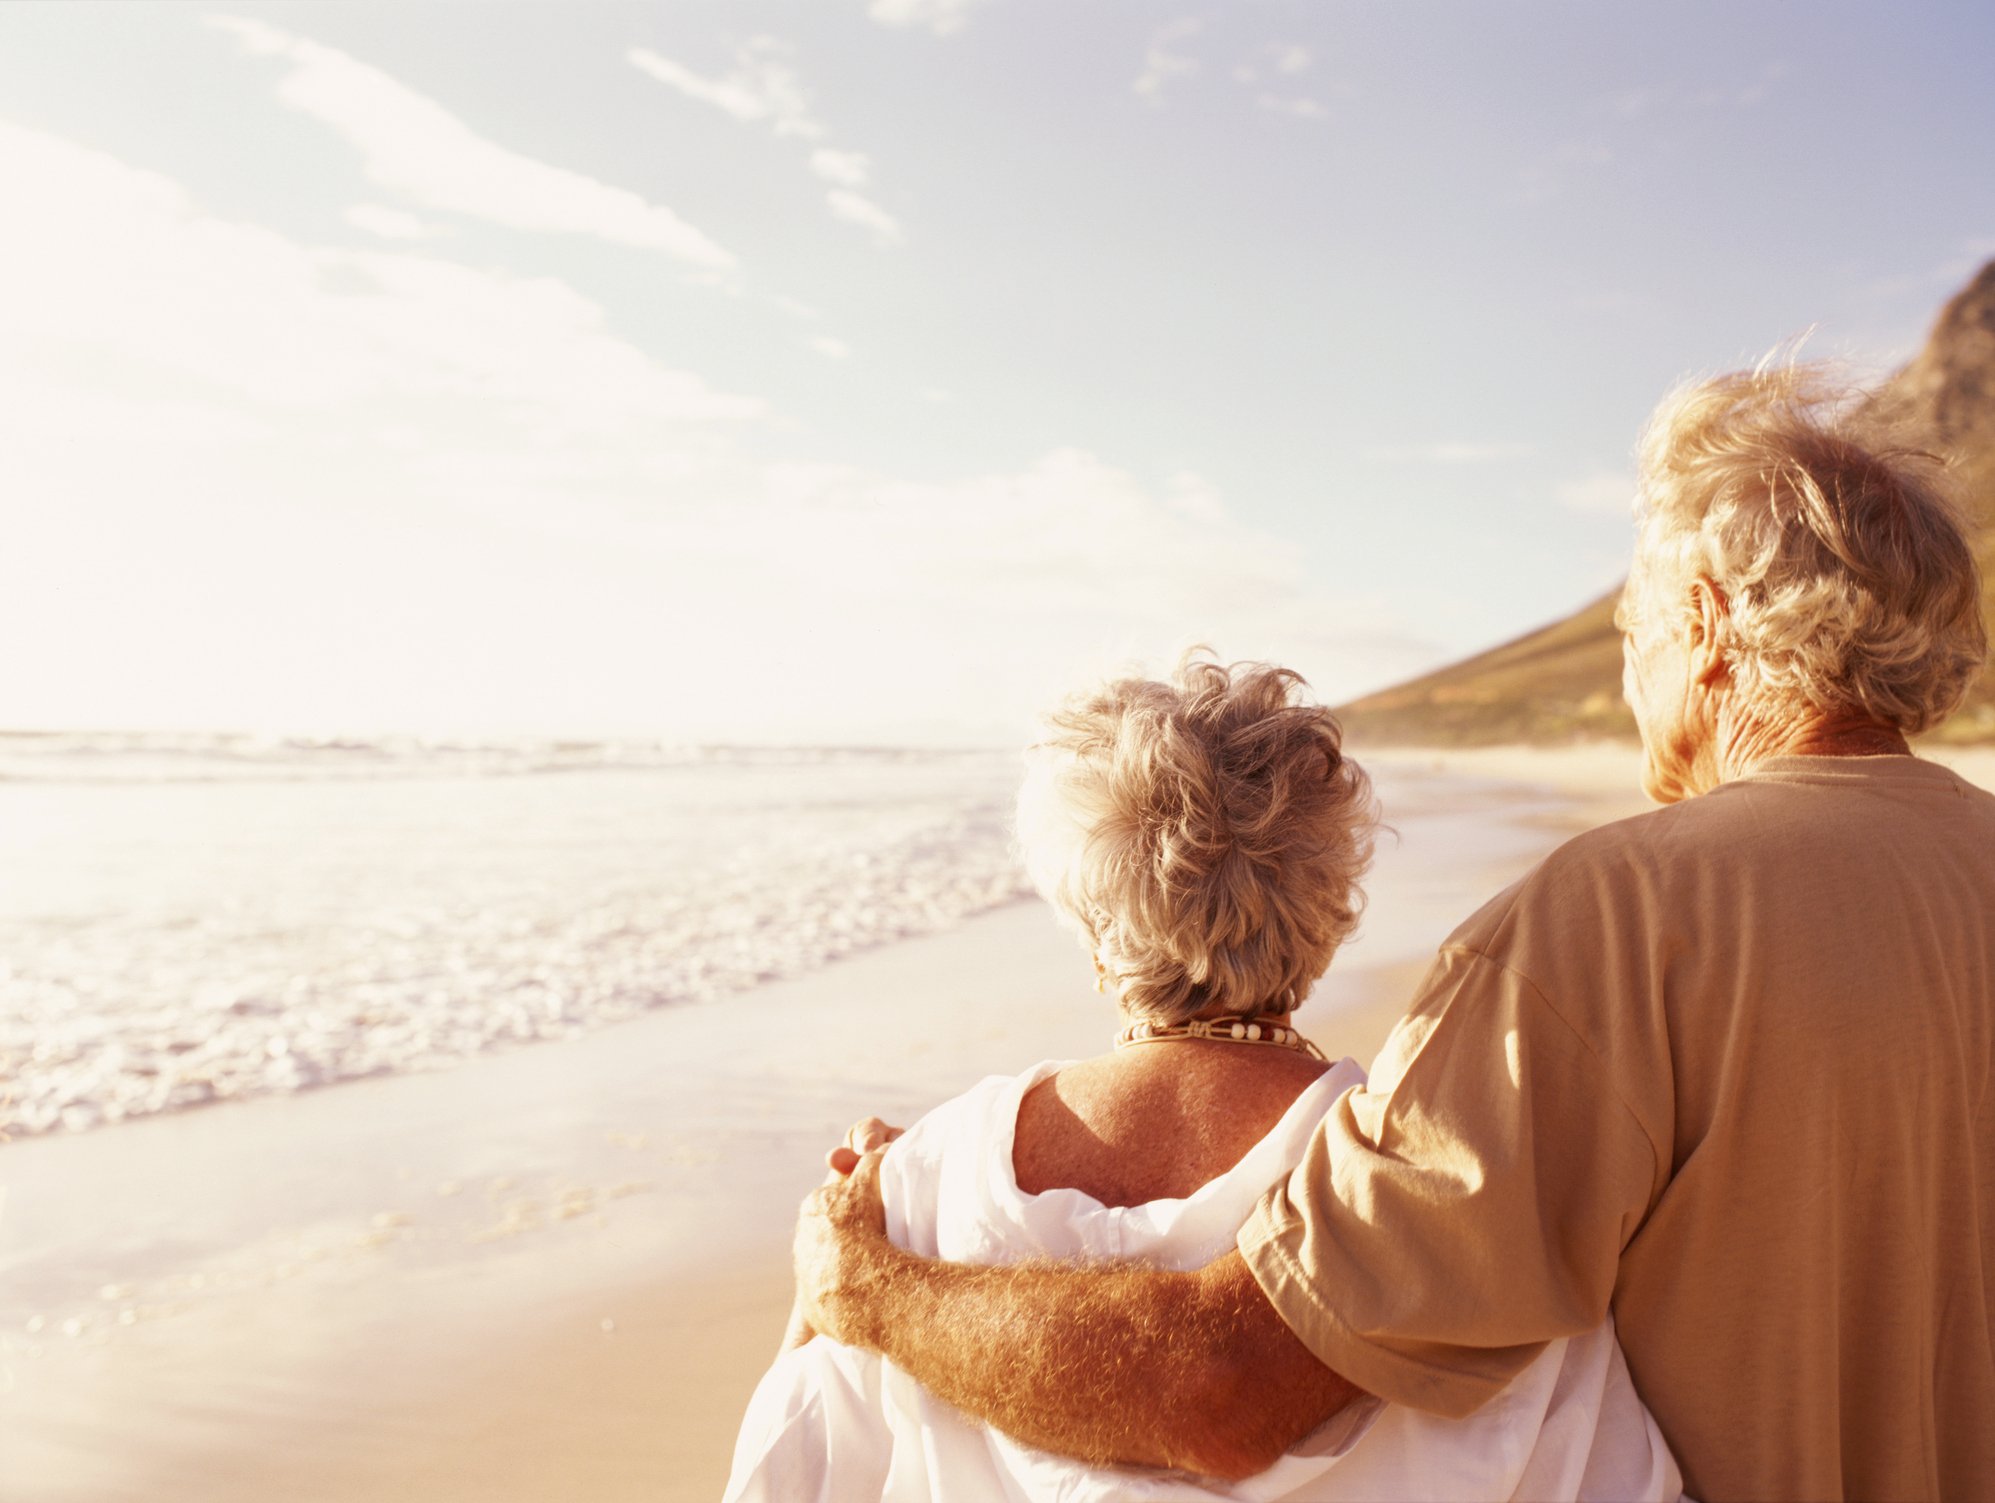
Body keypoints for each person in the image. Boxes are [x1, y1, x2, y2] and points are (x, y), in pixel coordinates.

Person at [791, 361, 1995, 1501]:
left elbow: (1230, 1390)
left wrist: (878, 1292)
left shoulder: (1620, 921)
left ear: (1707, 617)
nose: (1634, 676)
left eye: (1633, 632)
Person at [728, 657, 1681, 1500]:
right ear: (1324, 915)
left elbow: (786, 1472)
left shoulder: (906, 1193)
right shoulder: (1440, 1193)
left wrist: (855, 1248)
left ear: (1093, 926)